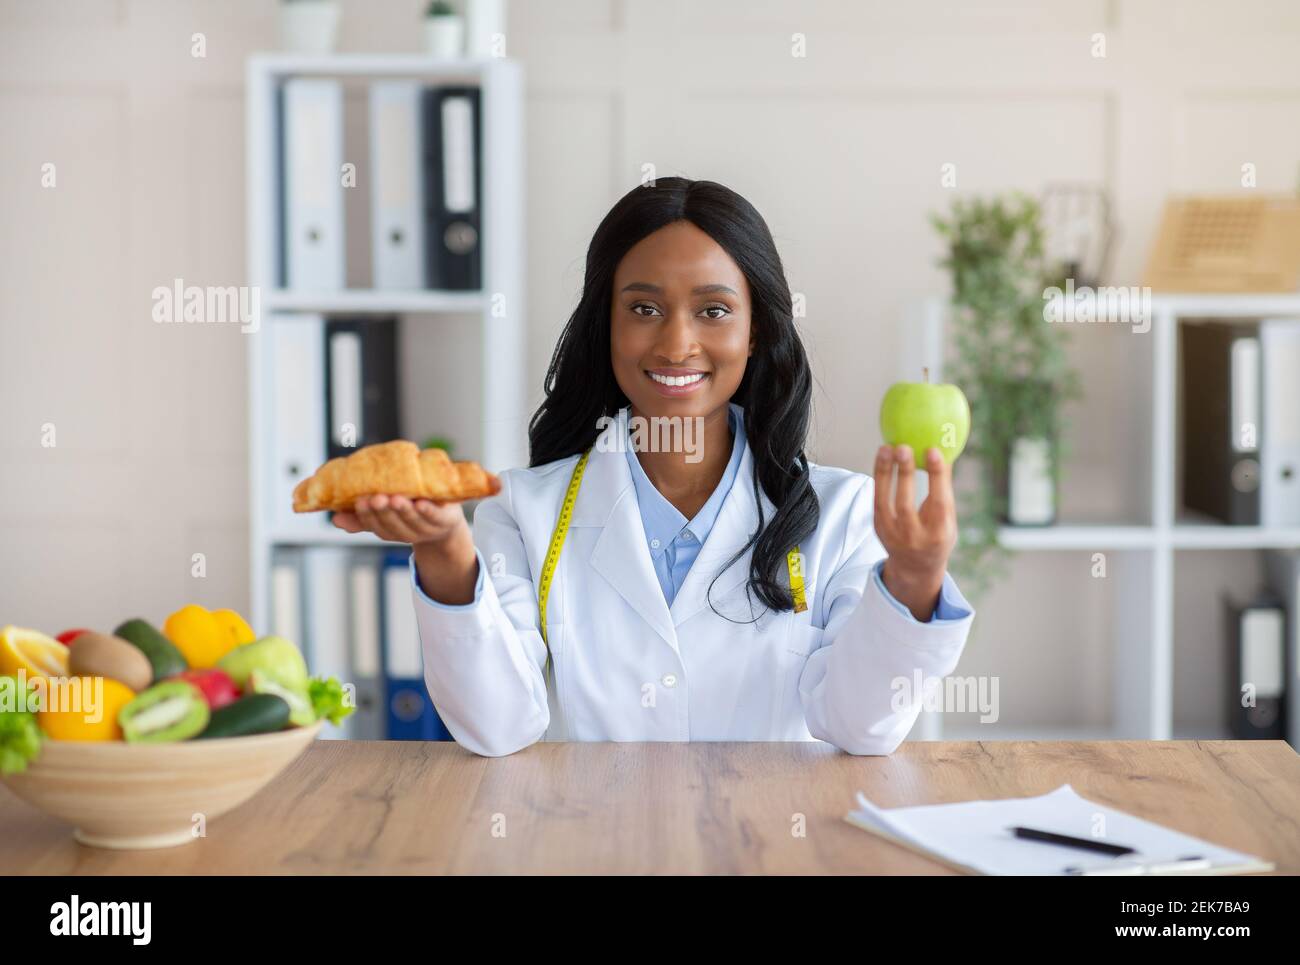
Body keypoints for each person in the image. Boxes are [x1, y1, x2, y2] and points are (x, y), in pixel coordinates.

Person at [333, 177, 973, 757]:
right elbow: (497, 726)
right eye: (643, 309)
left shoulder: (844, 514)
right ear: (604, 327)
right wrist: (445, 552)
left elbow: (861, 728)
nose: (675, 343)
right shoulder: (524, 511)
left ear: (755, 332)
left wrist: (914, 582)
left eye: (714, 310)